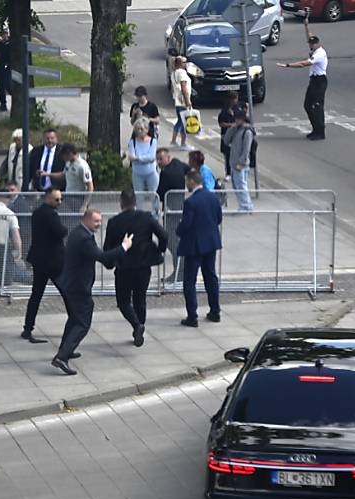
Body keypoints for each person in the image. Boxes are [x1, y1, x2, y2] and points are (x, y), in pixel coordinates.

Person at [52, 208, 132, 375]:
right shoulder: (84, 239)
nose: (99, 224)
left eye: (100, 221)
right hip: (78, 286)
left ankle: (66, 348)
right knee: (82, 323)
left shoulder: (79, 232)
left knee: (74, 319)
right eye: (96, 221)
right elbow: (101, 257)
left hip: (71, 284)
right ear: (87, 219)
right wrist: (124, 247)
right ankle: (62, 356)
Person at [103, 190, 167, 347]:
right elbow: (163, 235)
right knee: (140, 298)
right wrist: (158, 251)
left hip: (124, 267)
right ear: (135, 202)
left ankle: (136, 324)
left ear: (121, 203)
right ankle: (141, 325)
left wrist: (109, 262)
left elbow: (107, 247)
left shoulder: (114, 222)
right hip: (143, 266)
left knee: (123, 301)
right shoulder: (146, 217)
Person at [176, 169, 221, 327]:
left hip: (194, 246)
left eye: (187, 182)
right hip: (211, 243)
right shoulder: (213, 197)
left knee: (189, 280)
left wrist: (178, 231)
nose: (186, 185)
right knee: (211, 277)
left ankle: (192, 316)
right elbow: (218, 218)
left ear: (192, 181)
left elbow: (186, 224)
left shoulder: (190, 202)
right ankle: (215, 311)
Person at [22, 187, 67, 344]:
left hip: (39, 260)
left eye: (61, 199)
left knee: (36, 294)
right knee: (66, 292)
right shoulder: (50, 215)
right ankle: (75, 322)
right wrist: (65, 229)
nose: (59, 202)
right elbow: (60, 231)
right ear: (48, 198)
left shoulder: (37, 212)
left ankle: (28, 328)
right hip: (52, 262)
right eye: (57, 199)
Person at [278, 13, 328, 141]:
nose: (310, 46)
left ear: (317, 44)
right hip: (314, 81)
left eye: (312, 44)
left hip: (319, 81)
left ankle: (320, 131)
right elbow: (309, 37)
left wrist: (287, 65)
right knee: (307, 105)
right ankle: (315, 128)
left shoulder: (319, 54)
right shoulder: (315, 48)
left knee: (316, 106)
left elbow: (303, 64)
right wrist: (306, 25)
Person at [221, 109, 255, 212]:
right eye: (236, 119)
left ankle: (246, 205)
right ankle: (244, 204)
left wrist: (241, 163)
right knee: (236, 185)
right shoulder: (236, 129)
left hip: (240, 164)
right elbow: (226, 141)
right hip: (233, 162)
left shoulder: (247, 132)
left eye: (238, 119)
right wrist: (231, 129)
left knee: (241, 185)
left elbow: (246, 150)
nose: (236, 121)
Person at [128, 118, 159, 210]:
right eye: (137, 129)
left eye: (142, 129)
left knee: (154, 194)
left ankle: (156, 213)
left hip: (151, 172)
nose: (139, 131)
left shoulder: (152, 141)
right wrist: (143, 158)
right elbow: (131, 157)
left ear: (147, 129)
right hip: (137, 174)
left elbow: (151, 157)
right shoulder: (132, 142)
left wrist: (138, 158)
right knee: (139, 196)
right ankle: (139, 214)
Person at [217, 92, 245, 180]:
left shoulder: (238, 108)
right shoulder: (224, 110)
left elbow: (243, 118)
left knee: (236, 153)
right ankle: (228, 173)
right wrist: (230, 125)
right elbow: (221, 123)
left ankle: (235, 170)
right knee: (227, 155)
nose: (236, 100)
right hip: (226, 134)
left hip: (236, 135)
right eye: (235, 99)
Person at [169, 56, 193, 150]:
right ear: (179, 63)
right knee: (184, 122)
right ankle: (183, 143)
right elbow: (184, 87)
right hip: (183, 100)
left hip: (178, 100)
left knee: (179, 121)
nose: (185, 64)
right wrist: (188, 101)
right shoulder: (182, 73)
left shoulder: (174, 73)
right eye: (184, 62)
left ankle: (174, 140)